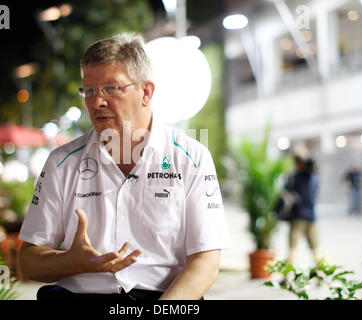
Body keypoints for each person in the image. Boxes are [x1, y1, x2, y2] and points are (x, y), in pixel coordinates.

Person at [18, 32, 230, 301]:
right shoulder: (63, 162)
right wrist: (74, 262)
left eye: (111, 88)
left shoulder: (191, 158)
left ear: (146, 92)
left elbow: (206, 261)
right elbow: (28, 261)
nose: (97, 102)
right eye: (89, 90)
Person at [287, 156, 320, 266]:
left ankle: (288, 274)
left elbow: (288, 191)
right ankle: (320, 273)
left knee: (292, 247)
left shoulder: (296, 177)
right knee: (314, 248)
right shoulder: (315, 179)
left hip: (298, 217)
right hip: (311, 216)